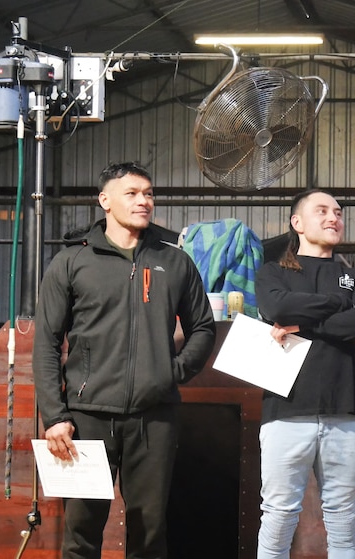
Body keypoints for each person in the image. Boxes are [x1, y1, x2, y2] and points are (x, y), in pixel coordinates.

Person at [32, 161, 217, 559]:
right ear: (105, 200)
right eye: (132, 193)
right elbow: (47, 342)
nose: (143, 201)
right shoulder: (71, 262)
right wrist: (54, 415)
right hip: (86, 418)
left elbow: (203, 327)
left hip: (155, 417)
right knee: (80, 534)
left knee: (150, 533)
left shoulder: (175, 262)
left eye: (148, 194)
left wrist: (173, 372)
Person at [254, 189, 355, 559]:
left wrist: (301, 322)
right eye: (322, 211)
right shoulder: (273, 272)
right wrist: (337, 304)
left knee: (343, 522)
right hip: (285, 412)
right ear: (297, 223)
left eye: (338, 212)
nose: (333, 218)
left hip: (345, 414)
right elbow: (275, 304)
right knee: (278, 517)